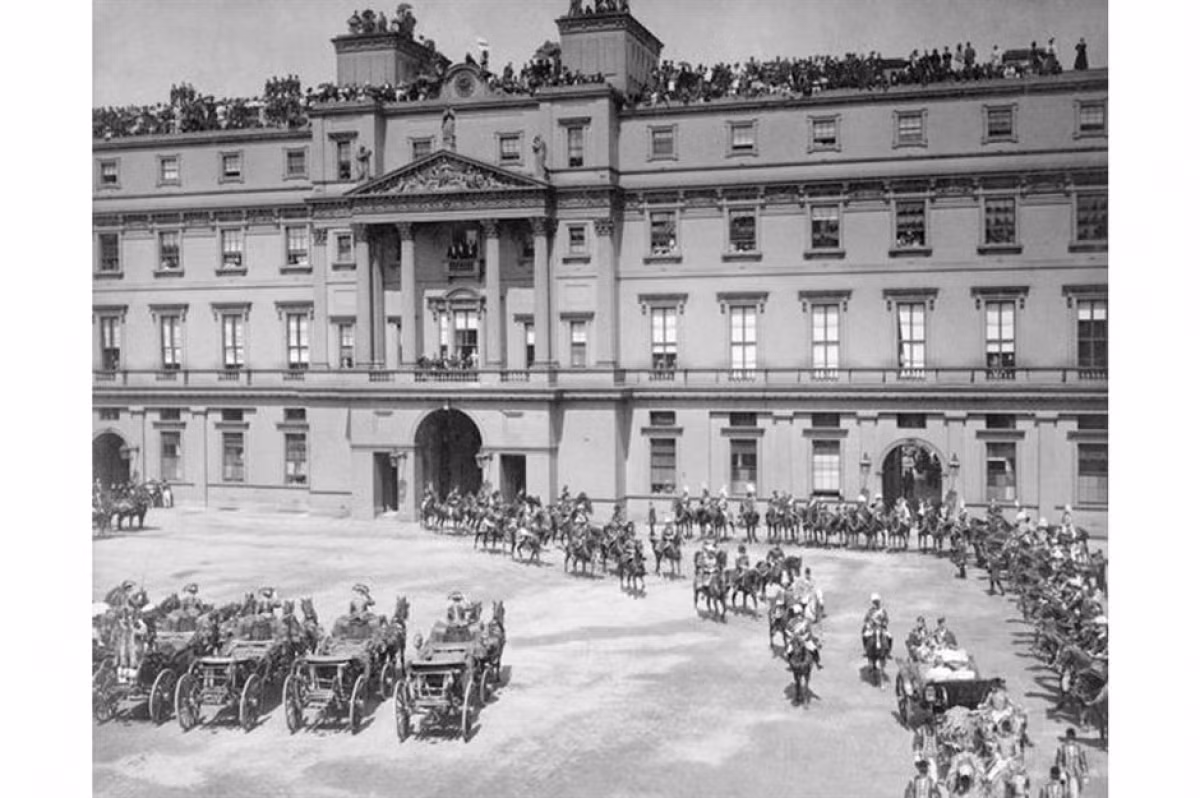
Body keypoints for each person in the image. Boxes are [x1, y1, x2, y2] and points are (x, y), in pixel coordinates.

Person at [1055, 728, 1088, 798]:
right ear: (1066, 737)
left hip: (1075, 774)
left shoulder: (1079, 748)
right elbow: (1058, 761)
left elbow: (1083, 762)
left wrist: (1085, 774)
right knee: (1063, 793)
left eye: (1071, 737)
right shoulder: (1061, 748)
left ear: (1074, 737)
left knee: (1074, 794)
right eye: (1068, 737)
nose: (1070, 739)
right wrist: (1061, 772)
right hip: (1065, 774)